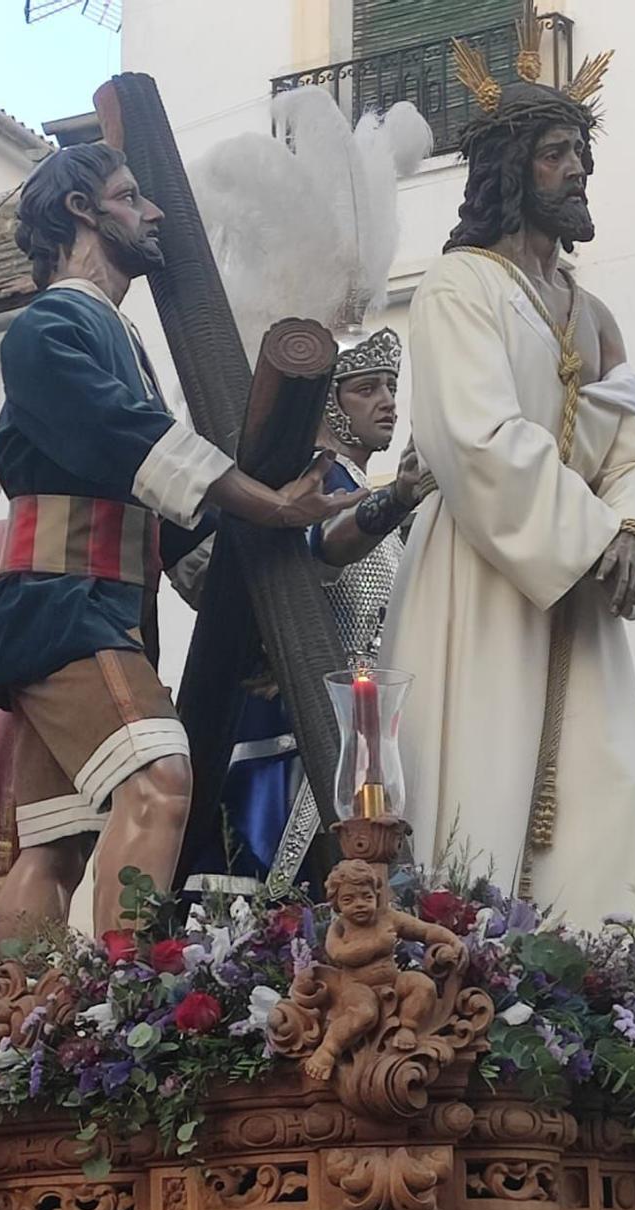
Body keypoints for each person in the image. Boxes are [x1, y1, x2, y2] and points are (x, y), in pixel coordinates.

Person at [0, 143, 346, 944]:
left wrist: (242, 540)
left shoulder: (109, 336)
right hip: (67, 604)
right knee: (160, 778)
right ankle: (126, 1001)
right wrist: (267, 503)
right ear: (83, 211)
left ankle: (20, 1026)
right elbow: (129, 433)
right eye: (132, 196)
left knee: (55, 843)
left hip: (87, 604)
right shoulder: (50, 326)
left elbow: (153, 503)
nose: (155, 214)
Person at [381, 34, 635, 920]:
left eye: (582, 157)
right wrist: (597, 538)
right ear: (511, 170)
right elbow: (472, 437)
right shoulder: (457, 286)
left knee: (601, 795)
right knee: (479, 771)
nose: (577, 172)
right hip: (478, 579)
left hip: (586, 588)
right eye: (557, 156)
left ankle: (592, 986)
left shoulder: (593, 314)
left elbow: (634, 446)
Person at [216, 328, 426, 889]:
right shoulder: (317, 480)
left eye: (390, 386)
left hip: (367, 720)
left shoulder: (362, 481)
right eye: (366, 389)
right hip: (305, 715)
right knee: (293, 887)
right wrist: (396, 499)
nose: (387, 400)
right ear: (328, 402)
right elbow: (329, 543)